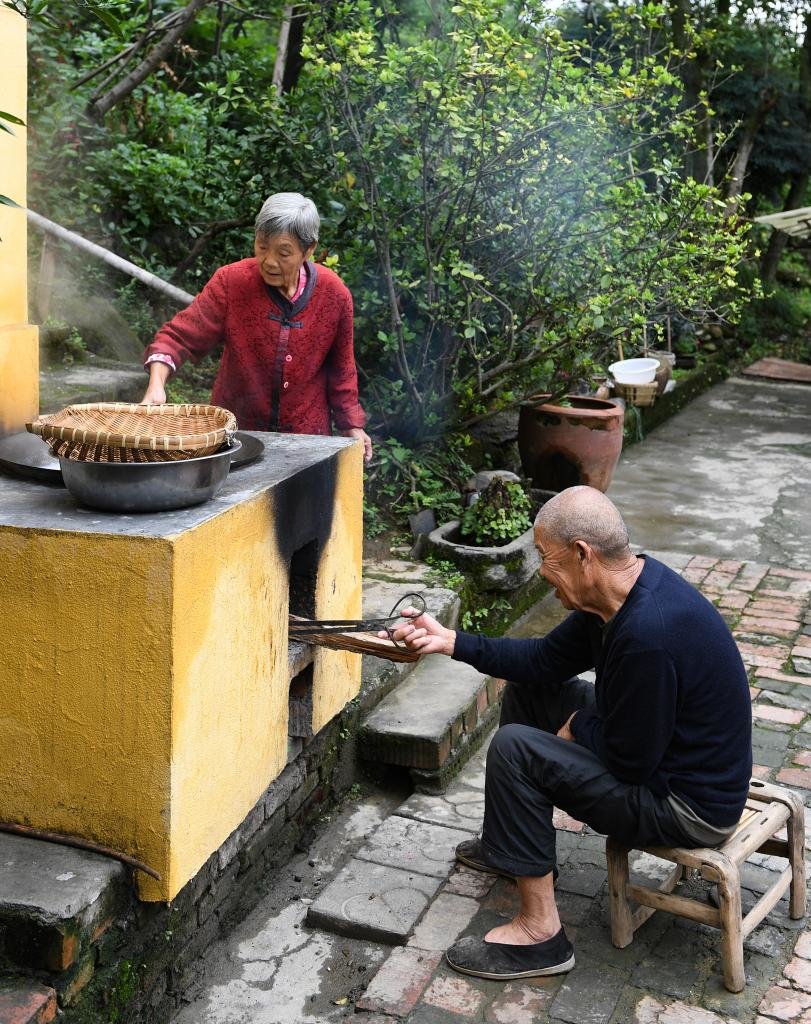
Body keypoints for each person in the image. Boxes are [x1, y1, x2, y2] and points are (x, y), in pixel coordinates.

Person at [387, 485, 752, 981]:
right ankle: (508, 846)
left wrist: (580, 725)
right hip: (658, 757)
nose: (540, 570)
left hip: (687, 807)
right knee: (533, 690)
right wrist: (449, 640)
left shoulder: (650, 636)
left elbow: (631, 762)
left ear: (583, 554)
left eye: (545, 556)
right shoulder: (615, 600)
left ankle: (542, 936)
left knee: (517, 750)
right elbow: (541, 661)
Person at [141, 192, 373, 462]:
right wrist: (156, 386)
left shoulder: (334, 294)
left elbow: (342, 369)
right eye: (262, 246)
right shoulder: (232, 282)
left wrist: (351, 426)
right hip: (235, 438)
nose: (269, 261)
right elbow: (178, 337)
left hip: (305, 442)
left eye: (283, 252)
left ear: (309, 250)